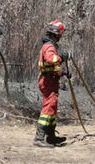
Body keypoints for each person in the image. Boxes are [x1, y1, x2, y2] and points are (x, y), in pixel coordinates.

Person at [34, 19, 70, 147]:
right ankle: (39, 138)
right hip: (48, 81)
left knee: (52, 109)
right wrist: (62, 57)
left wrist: (63, 73)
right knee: (48, 108)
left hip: (52, 80)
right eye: (60, 34)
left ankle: (51, 137)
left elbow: (53, 67)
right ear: (56, 34)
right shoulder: (49, 46)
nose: (61, 37)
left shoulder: (51, 45)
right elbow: (51, 59)